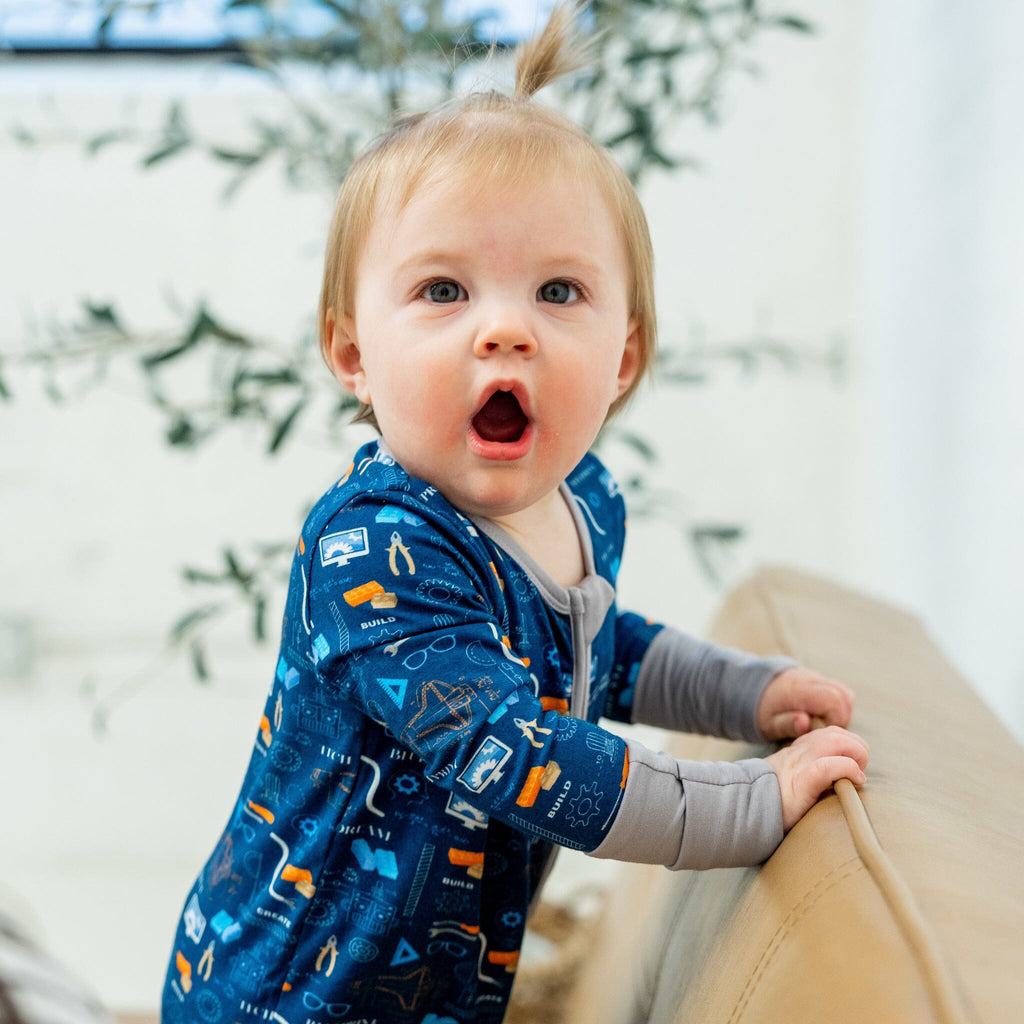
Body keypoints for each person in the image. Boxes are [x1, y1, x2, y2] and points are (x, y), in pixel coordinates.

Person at [161, 4, 869, 1021]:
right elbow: (524, 756)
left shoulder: (583, 501)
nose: (505, 329)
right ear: (353, 353)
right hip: (291, 997)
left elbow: (596, 650)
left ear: (622, 358)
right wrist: (751, 804)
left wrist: (743, 696)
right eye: (444, 289)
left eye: (559, 291)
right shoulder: (376, 549)